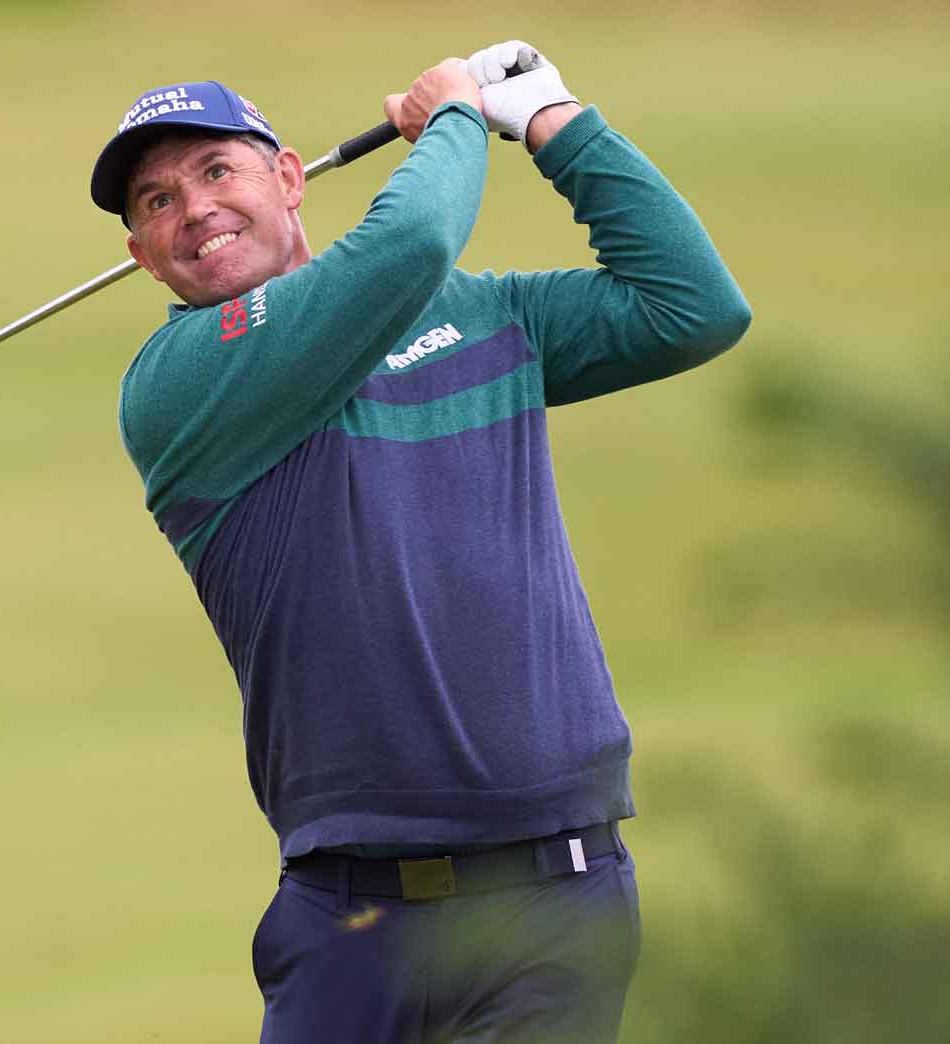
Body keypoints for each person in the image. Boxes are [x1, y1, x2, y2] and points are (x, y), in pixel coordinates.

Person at [89, 41, 749, 1044]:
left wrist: (552, 120)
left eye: (214, 170)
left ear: (287, 177)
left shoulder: (487, 319)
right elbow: (403, 251)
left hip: (555, 902)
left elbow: (691, 307)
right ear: (142, 256)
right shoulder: (177, 383)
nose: (191, 209)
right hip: (350, 918)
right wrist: (453, 113)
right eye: (155, 202)